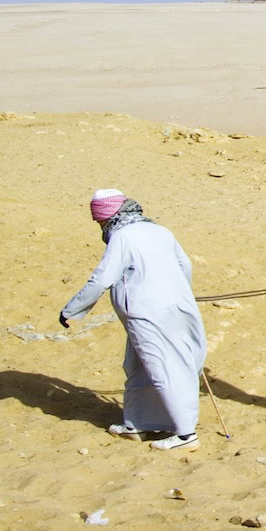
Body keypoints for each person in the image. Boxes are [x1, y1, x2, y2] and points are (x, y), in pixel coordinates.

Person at [60, 189, 207, 450]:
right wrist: (178, 292)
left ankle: (186, 435)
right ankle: (139, 423)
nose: (100, 226)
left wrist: (72, 310)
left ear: (106, 217)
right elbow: (185, 265)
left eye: (99, 221)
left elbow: (102, 279)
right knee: (138, 367)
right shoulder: (160, 230)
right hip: (176, 307)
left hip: (148, 313)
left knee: (163, 368)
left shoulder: (122, 236)